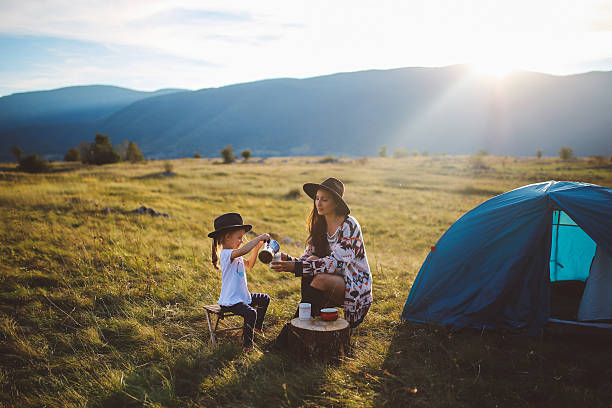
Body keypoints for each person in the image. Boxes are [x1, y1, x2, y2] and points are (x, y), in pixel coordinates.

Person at [271, 177, 373, 346]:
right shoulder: (319, 225)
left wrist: (297, 267)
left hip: (355, 286)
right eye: (317, 198)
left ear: (336, 203)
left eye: (324, 199)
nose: (319, 203)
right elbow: (307, 259)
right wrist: (288, 260)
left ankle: (294, 330)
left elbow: (337, 263)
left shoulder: (349, 225)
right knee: (311, 261)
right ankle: (303, 325)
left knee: (319, 277)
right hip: (333, 281)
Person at [208, 212, 271, 352]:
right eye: (239, 237)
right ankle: (247, 344)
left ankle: (256, 327)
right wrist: (259, 238)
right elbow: (243, 250)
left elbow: (249, 265)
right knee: (251, 313)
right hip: (230, 301)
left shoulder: (235, 255)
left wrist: (256, 249)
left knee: (264, 299)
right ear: (227, 237)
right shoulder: (226, 254)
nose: (241, 241)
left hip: (242, 297)